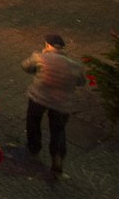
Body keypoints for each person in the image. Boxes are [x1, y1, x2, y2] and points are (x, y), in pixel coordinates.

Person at [24, 32, 91, 179]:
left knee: (33, 121)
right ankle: (57, 157)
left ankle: (34, 146)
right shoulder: (75, 66)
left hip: (38, 97)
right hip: (62, 103)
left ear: (47, 45)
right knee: (58, 130)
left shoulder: (40, 57)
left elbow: (26, 67)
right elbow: (81, 82)